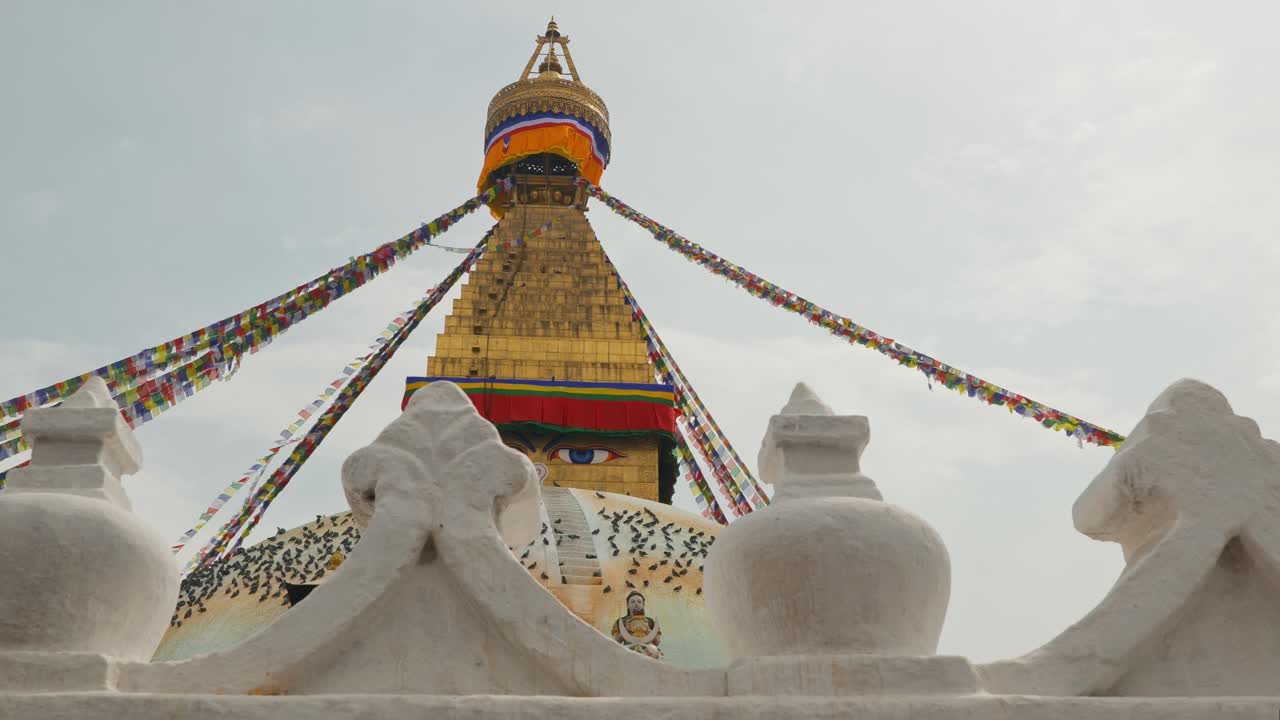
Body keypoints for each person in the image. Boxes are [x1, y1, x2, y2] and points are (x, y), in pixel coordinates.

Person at [611, 590, 663, 659]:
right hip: (629, 648)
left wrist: (647, 630)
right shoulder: (621, 621)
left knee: (655, 651)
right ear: (627, 605)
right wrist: (626, 629)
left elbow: (657, 642)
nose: (636, 604)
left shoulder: (650, 621)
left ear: (643, 605)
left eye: (639, 602)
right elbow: (615, 642)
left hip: (647, 650)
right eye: (632, 602)